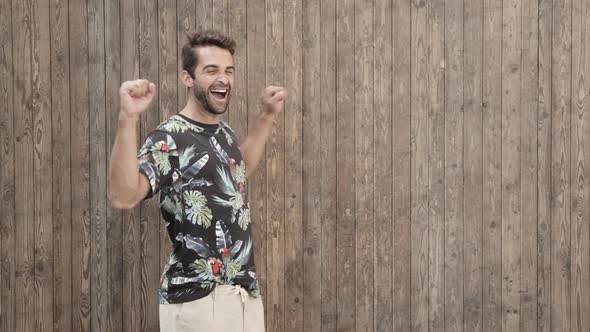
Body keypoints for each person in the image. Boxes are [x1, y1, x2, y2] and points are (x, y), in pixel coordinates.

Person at [108, 29, 286, 332]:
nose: (224, 79)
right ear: (187, 78)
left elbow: (238, 169)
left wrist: (267, 115)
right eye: (211, 70)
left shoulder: (223, 132)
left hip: (243, 295)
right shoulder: (170, 138)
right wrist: (128, 118)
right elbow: (124, 196)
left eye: (229, 71)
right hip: (199, 300)